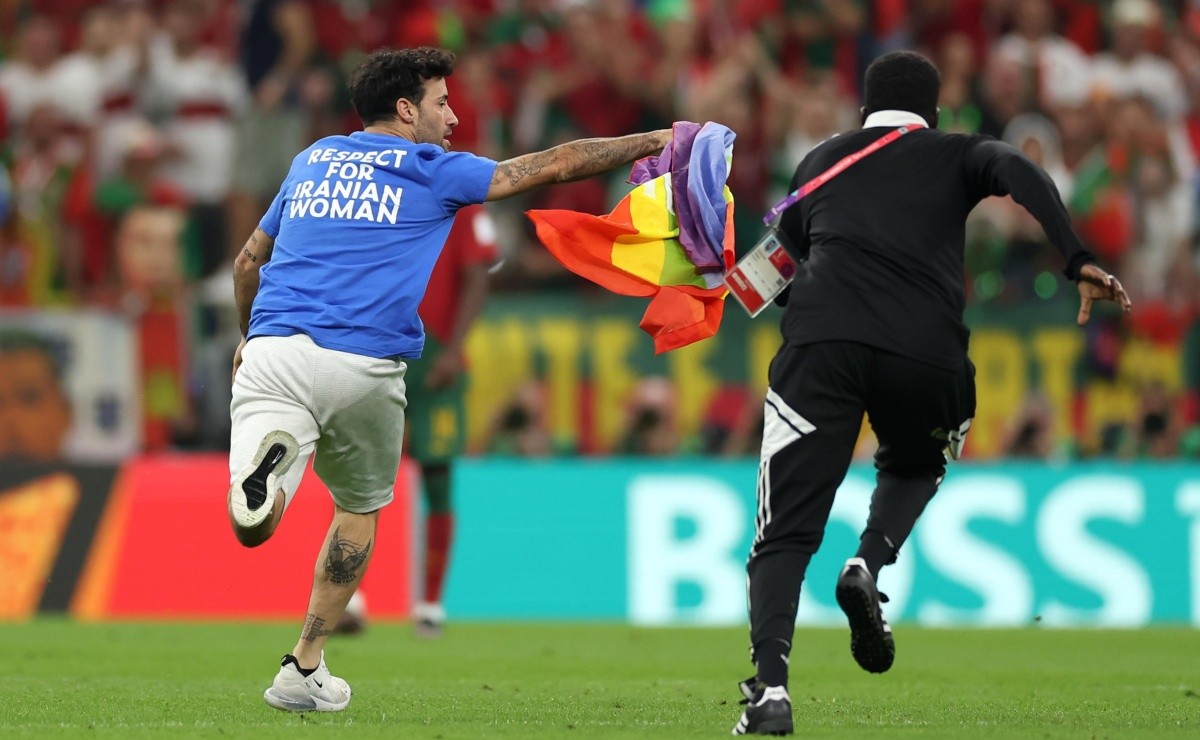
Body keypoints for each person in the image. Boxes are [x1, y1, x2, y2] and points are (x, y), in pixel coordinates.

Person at [227, 46, 672, 714]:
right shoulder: (432, 170)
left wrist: (244, 337)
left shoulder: (310, 158)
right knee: (359, 509)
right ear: (407, 110)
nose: (454, 116)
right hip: (363, 365)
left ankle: (268, 475)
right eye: (441, 102)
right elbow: (556, 163)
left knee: (258, 521)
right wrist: (658, 139)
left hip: (270, 352)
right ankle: (305, 661)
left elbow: (245, 263)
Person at [732, 50, 1132, 736]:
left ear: (863, 111)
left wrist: (708, 286)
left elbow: (770, 276)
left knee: (783, 535)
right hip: (925, 349)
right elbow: (1020, 171)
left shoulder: (819, 164)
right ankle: (869, 559)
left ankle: (770, 692)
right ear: (936, 113)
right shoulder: (958, 151)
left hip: (822, 346)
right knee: (918, 459)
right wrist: (1077, 257)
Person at [333, 203, 499, 639]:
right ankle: (352, 598)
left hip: (437, 363)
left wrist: (454, 349)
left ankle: (430, 605)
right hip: (379, 353)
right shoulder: (377, 197)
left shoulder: (462, 202)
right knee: (363, 477)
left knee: (438, 476)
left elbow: (479, 275)